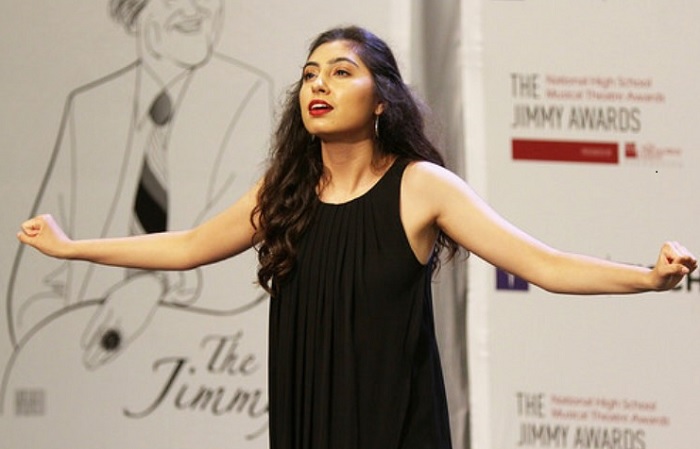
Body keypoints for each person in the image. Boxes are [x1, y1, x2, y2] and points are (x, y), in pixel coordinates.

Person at [16, 26, 697, 449]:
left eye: (341, 72)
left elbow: (543, 263)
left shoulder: (421, 186)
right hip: (306, 426)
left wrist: (649, 276)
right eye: (310, 74)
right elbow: (188, 245)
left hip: (395, 432)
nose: (319, 84)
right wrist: (73, 248)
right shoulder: (281, 190)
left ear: (381, 99)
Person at [7, 0, 273, 368]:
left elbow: (219, 251)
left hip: (192, 362)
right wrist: (60, 348)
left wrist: (154, 287)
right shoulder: (89, 107)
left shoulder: (249, 95)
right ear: (133, 10)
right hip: (85, 361)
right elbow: (35, 290)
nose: (195, 9)